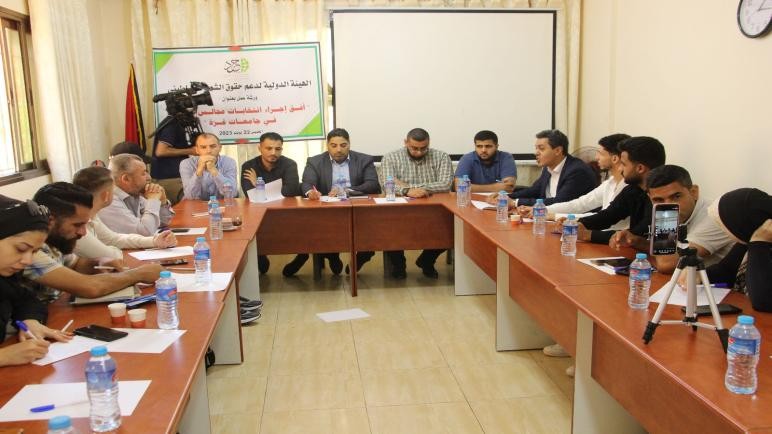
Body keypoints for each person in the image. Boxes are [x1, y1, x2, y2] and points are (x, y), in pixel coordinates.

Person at [23, 183, 162, 301]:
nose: (83, 232)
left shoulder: (56, 240)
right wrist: (138, 274)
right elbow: (89, 287)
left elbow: (75, 264)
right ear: (50, 221)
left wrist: (98, 262)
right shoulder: (28, 250)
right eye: (77, 225)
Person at [0, 196, 72, 367]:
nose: (28, 261)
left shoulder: (5, 279)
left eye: (34, 252)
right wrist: (3, 357)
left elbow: (26, 299)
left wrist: (30, 321)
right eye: (21, 249)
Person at [301, 128, 381, 275]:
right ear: (327, 145)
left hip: (358, 208)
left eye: (343, 145)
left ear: (349, 144)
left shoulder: (364, 160)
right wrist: (311, 192)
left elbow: (372, 184)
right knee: (322, 230)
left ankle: (360, 258)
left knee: (373, 232)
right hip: (327, 210)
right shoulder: (315, 161)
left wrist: (345, 190)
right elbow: (307, 183)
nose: (338, 149)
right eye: (334, 145)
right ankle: (332, 255)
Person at [628, 165, 734, 272]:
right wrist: (637, 242)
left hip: (718, 282)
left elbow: (666, 264)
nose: (668, 206)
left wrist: (665, 222)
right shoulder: (675, 212)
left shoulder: (715, 215)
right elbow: (667, 252)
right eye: (658, 200)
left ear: (694, 192)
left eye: (676, 196)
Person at [380, 128, 453, 278]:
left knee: (451, 227)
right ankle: (399, 265)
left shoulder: (441, 157)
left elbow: (446, 185)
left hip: (433, 210)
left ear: (429, 143)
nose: (419, 152)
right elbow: (387, 185)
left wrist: (407, 187)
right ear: (406, 142)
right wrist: (408, 191)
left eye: (423, 148)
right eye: (414, 148)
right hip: (399, 211)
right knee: (388, 228)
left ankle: (427, 261)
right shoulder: (390, 157)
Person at [72, 166, 176, 260]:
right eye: (113, 188)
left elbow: (114, 239)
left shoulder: (92, 214)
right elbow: (111, 255)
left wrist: (154, 241)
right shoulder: (76, 225)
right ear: (105, 196)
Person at [576, 136, 666, 245]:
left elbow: (638, 235)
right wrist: (576, 224)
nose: (619, 169)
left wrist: (588, 235)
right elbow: (608, 215)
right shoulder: (633, 189)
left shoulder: (663, 197)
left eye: (623, 164)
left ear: (640, 168)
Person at [241, 132, 303, 275]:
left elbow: (290, 191)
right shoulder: (249, 166)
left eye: (278, 149)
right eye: (269, 148)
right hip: (259, 213)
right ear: (260, 148)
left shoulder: (290, 164)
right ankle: (260, 255)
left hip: (286, 212)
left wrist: (258, 185)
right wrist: (272, 190)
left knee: (305, 226)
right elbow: (250, 195)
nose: (273, 152)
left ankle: (302, 254)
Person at [704, 188, 771, 312]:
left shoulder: (759, 242)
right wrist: (699, 274)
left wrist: (759, 243)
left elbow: (764, 300)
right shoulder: (748, 240)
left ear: (744, 224)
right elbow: (726, 270)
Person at [491, 129, 596, 208]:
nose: (536, 153)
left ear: (558, 150)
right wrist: (507, 196)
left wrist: (515, 202)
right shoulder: (548, 167)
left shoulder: (577, 171)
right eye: (536, 148)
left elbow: (560, 202)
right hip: (547, 217)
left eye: (541, 149)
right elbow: (535, 190)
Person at [99, 153, 174, 236]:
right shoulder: (109, 201)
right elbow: (145, 232)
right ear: (126, 179)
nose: (149, 177)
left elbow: (163, 222)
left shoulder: (135, 193)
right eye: (143, 173)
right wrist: (153, 200)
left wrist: (162, 202)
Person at [150, 117, 196, 204]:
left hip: (172, 178)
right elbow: (160, 151)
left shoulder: (175, 123)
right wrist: (191, 151)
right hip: (171, 179)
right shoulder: (172, 125)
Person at [179, 133, 238, 200]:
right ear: (197, 150)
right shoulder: (187, 164)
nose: (208, 151)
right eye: (203, 147)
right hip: (195, 205)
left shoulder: (229, 162)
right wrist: (199, 171)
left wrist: (214, 171)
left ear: (220, 148)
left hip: (220, 204)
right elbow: (190, 196)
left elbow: (232, 193)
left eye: (213, 146)